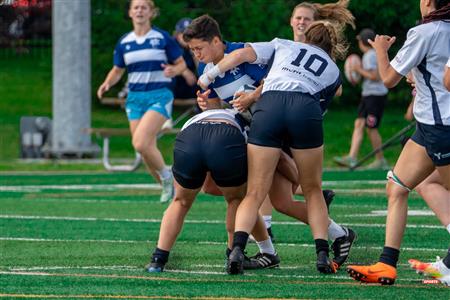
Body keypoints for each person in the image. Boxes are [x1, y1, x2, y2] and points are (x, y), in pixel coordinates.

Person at [186, 14, 355, 270]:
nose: (197, 55)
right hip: (261, 126)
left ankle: (248, 249)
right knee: (280, 201)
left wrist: (253, 96)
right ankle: (337, 234)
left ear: (217, 41)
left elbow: (276, 79)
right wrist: (206, 105)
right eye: (193, 50)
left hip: (269, 121)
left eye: (199, 48)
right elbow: (217, 107)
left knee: (249, 192)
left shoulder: (247, 51)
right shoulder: (204, 68)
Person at [346, 0, 450, 286]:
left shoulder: (426, 31)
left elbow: (389, 78)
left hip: (442, 125)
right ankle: (386, 263)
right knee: (399, 186)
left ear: (428, 2)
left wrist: (380, 50)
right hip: (429, 125)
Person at [146, 108, 279, 272]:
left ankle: (158, 260)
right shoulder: (259, 121)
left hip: (189, 135)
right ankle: (234, 255)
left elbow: (208, 187)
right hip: (226, 135)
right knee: (238, 200)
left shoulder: (208, 112)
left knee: (180, 201)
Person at [97, 0, 186, 203]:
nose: (139, 10)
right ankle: (170, 191)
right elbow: (118, 70)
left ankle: (167, 176)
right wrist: (107, 83)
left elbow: (181, 64)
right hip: (135, 99)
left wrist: (175, 70)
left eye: (144, 7)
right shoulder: (124, 42)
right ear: (130, 13)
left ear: (151, 13)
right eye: (135, 7)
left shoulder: (161, 38)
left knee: (140, 142)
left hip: (159, 95)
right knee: (144, 148)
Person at [333, 28, 389, 170]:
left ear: (362, 42)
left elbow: (375, 76)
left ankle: (380, 160)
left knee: (372, 128)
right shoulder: (370, 54)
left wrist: (357, 70)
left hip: (375, 96)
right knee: (359, 124)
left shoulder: (370, 55)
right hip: (368, 95)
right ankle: (352, 157)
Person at [172, 17, 198, 100]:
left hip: (190, 84)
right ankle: (189, 103)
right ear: (177, 34)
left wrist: (195, 53)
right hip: (174, 81)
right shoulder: (170, 44)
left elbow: (201, 70)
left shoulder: (196, 45)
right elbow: (162, 66)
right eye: (183, 32)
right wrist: (183, 71)